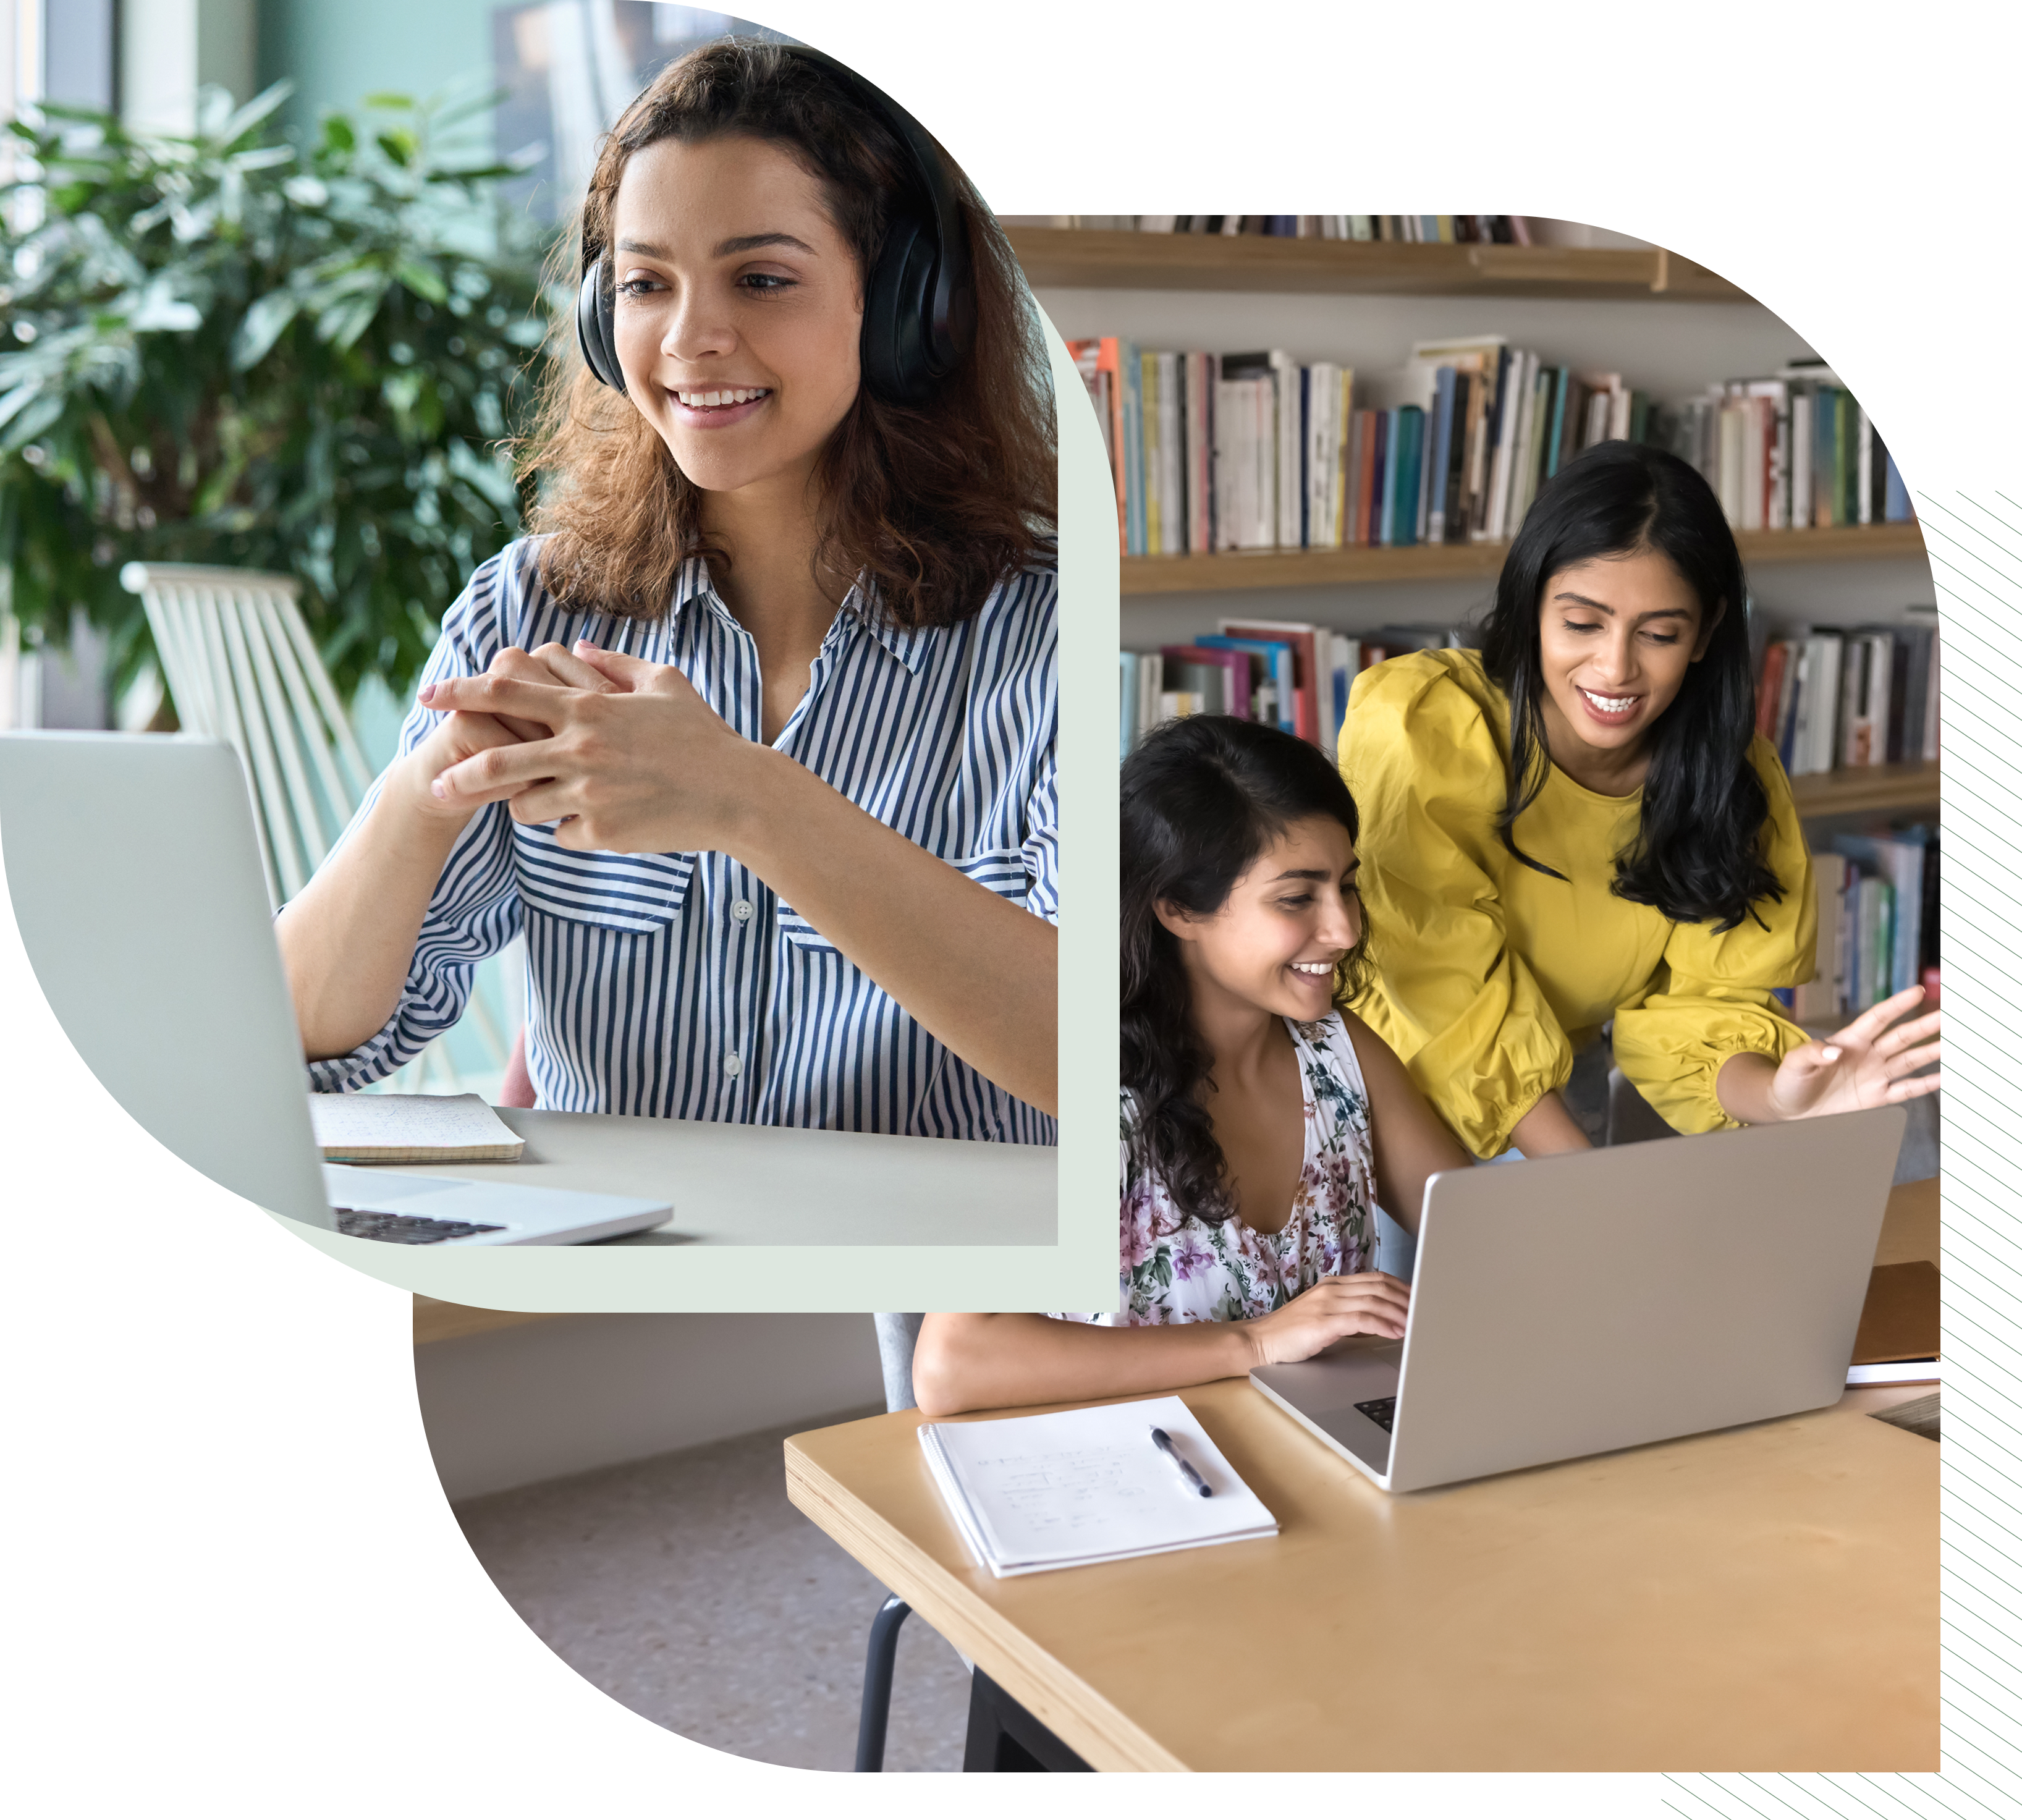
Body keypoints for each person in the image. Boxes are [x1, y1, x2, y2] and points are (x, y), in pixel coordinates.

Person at [276, 42, 1059, 1141]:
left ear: (904, 308)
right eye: (646, 284)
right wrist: (422, 799)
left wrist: (747, 799)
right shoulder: (527, 608)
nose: (691, 338)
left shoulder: (1047, 637)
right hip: (613, 1254)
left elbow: (1113, 1062)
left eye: (762, 279)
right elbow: (292, 1045)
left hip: (923, 1257)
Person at [1343, 439, 1940, 1161]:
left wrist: (1780, 1099)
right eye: (1581, 623)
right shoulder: (1425, 723)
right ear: (1530, 606)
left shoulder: (1730, 777)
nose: (1615, 667)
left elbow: (1703, 1011)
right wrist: (1581, 1175)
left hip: (1563, 1078)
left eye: (1658, 633)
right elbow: (1434, 977)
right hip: (1383, 1073)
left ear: (1704, 632)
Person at [913, 716, 1471, 1418]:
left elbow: (1487, 1239)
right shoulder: (1078, 1081)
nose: (1344, 929)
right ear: (1178, 907)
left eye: (1347, 886)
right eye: (1297, 898)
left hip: (1314, 1452)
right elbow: (952, 1365)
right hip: (1126, 1461)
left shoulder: (1340, 1052)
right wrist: (1255, 1343)